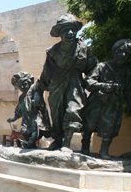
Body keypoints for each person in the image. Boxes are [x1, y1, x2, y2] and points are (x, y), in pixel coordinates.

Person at [33, 14, 97, 150]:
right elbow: (46, 73)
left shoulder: (83, 48)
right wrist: (38, 90)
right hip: (57, 86)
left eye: (72, 29)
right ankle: (58, 140)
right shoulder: (53, 52)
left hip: (75, 85)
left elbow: (93, 67)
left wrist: (91, 81)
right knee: (57, 115)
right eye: (65, 30)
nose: (70, 33)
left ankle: (67, 143)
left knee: (72, 110)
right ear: (60, 34)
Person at [81, 39, 131, 158]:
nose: (123, 55)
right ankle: (85, 146)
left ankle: (104, 151)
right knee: (89, 125)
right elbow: (88, 81)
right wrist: (103, 85)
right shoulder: (102, 66)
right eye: (120, 51)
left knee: (109, 127)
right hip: (98, 101)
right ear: (115, 51)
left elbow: (128, 90)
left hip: (114, 104)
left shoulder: (126, 71)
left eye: (127, 53)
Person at [7, 72, 51, 149]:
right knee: (24, 131)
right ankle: (29, 143)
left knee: (35, 128)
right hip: (26, 118)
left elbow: (39, 88)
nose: (22, 87)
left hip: (36, 115)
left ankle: (30, 142)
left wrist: (37, 95)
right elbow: (18, 109)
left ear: (29, 82)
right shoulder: (22, 97)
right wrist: (14, 118)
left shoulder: (34, 89)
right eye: (20, 86)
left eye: (24, 84)